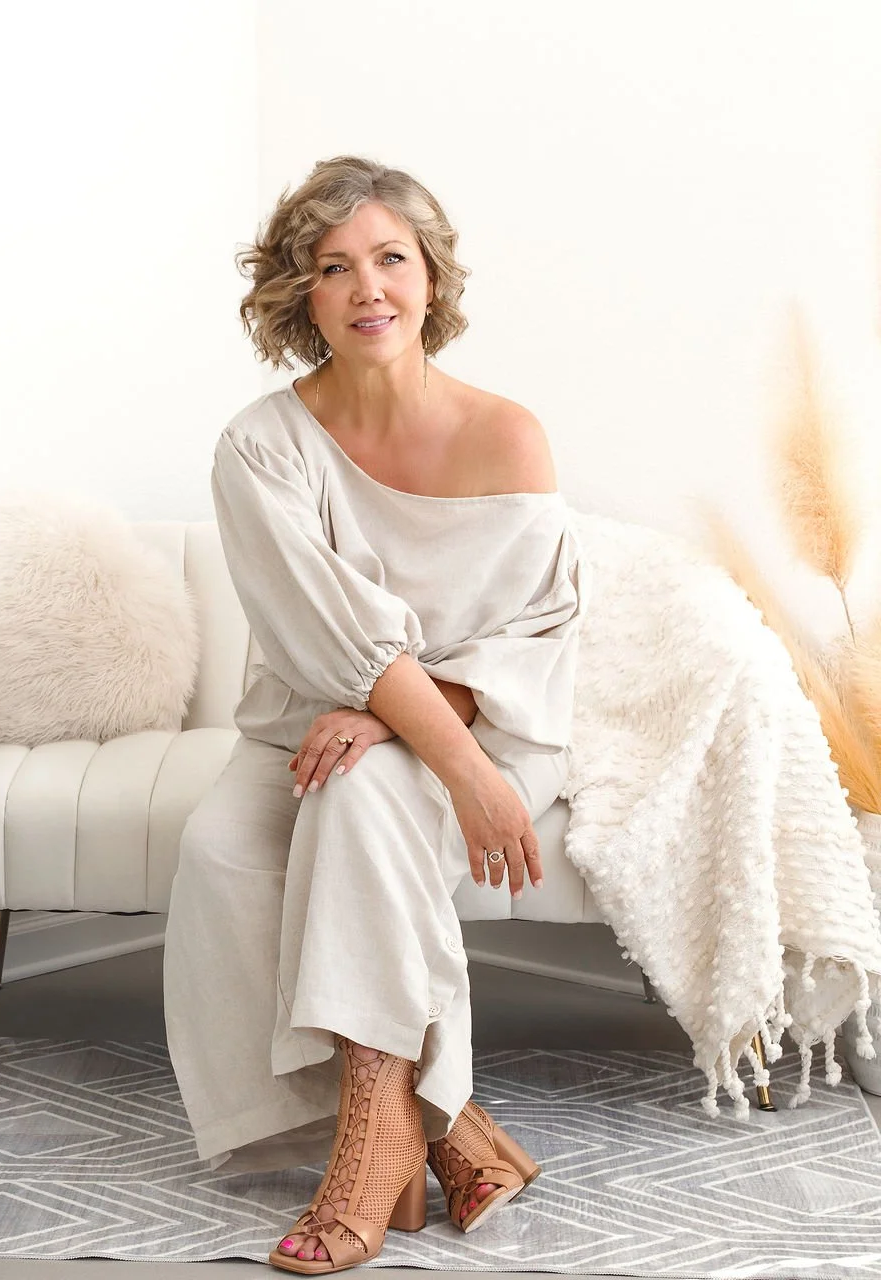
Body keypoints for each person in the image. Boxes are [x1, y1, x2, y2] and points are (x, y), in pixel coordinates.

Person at [163, 155, 590, 1274]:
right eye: (333, 267)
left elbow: (537, 631)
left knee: (355, 803)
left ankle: (370, 1142)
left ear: (430, 275)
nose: (368, 289)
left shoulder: (509, 433)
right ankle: (440, 1122)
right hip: (320, 715)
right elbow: (333, 639)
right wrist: (396, 723)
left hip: (491, 724)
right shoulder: (260, 447)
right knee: (220, 852)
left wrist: (429, 739)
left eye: (389, 258)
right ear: (297, 295)